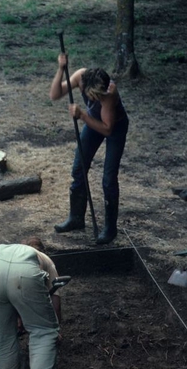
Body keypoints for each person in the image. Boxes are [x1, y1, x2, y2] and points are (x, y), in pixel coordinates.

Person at [49, 53, 129, 244]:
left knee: (109, 178)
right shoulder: (81, 77)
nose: (97, 98)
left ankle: (110, 228)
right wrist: (61, 68)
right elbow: (54, 95)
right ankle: (76, 218)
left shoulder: (109, 93)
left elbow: (108, 129)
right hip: (94, 121)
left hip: (114, 127)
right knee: (79, 168)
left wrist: (83, 115)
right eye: (94, 96)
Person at [0, 236, 64, 369]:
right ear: (41, 250)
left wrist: (20, 319)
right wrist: (56, 328)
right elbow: (54, 298)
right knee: (43, 330)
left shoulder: (9, 250)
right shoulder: (45, 260)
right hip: (26, 275)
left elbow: (13, 295)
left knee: (3, 334)